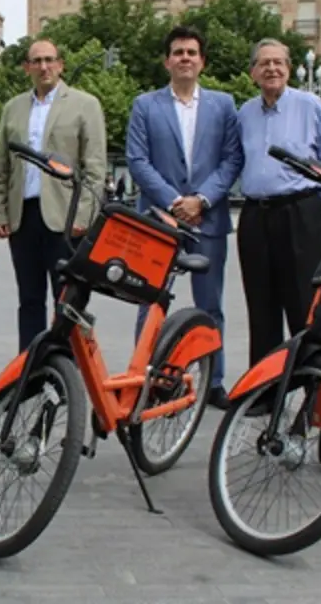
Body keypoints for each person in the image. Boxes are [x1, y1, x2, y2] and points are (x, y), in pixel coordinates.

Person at [125, 25, 243, 409]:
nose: (185, 58)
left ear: (202, 61)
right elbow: (137, 161)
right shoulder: (145, 105)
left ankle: (213, 381)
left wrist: (202, 200)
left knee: (210, 307)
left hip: (207, 220)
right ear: (167, 61)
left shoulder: (224, 105)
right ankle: (145, 376)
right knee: (151, 303)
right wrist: (176, 202)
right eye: (178, 52)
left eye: (192, 52)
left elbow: (232, 160)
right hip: (159, 220)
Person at [236, 38, 321, 367]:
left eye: (279, 62)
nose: (272, 68)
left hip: (300, 214)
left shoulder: (310, 106)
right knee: (261, 306)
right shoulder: (244, 113)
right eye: (264, 63)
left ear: (289, 70)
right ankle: (265, 391)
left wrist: (315, 202)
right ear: (253, 72)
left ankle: (312, 386)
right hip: (256, 216)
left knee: (305, 305)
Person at [0, 38, 108, 352]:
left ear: (61, 64)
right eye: (36, 61)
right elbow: (1, 164)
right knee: (28, 298)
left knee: (67, 300)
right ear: (27, 67)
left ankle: (65, 366)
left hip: (66, 220)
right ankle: (29, 368)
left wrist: (84, 217)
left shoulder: (85, 104)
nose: (44, 67)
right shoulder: (13, 108)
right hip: (23, 216)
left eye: (49, 60)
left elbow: (95, 167)